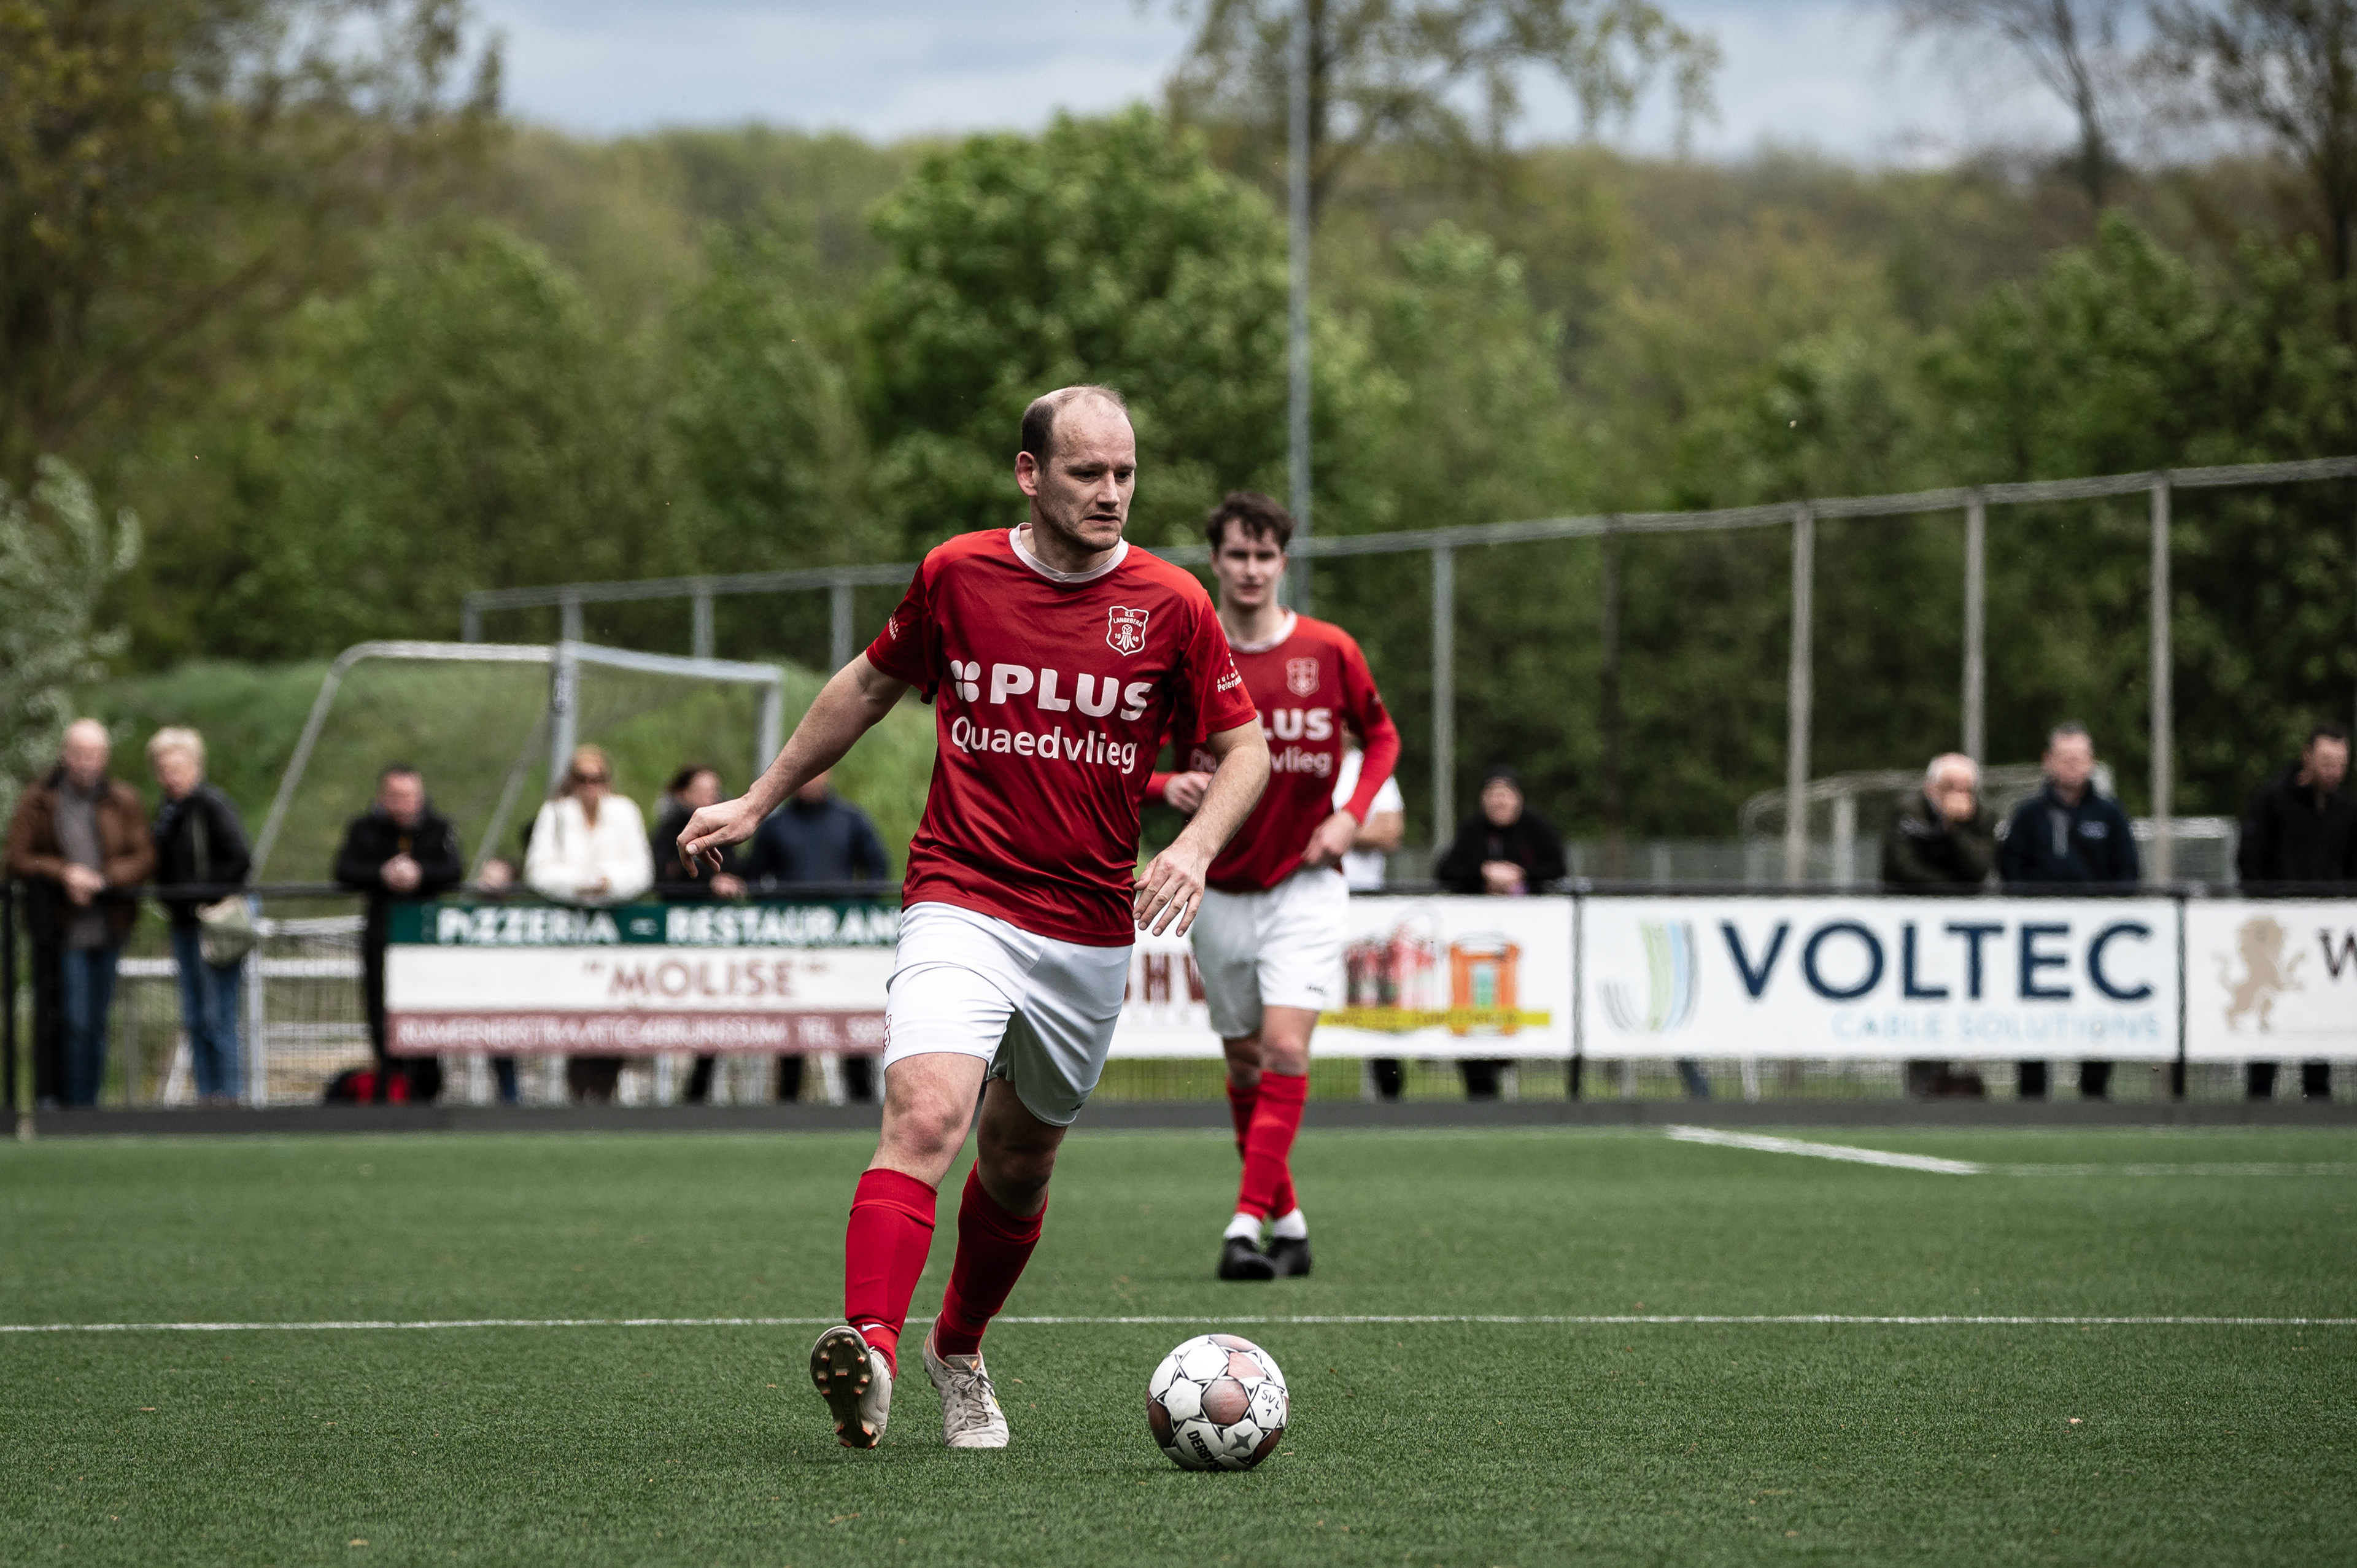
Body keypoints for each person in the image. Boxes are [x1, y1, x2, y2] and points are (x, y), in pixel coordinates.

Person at [675, 384, 1268, 1451]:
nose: (1111, 493)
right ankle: (872, 1352)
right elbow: (867, 686)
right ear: (1029, 475)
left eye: (1125, 472)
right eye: (1087, 472)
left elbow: (1247, 748)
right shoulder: (956, 573)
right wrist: (759, 799)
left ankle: (958, 1348)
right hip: (963, 895)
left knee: (1020, 1162)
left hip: (1089, 923)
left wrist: (1192, 846)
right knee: (925, 1118)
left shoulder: (1174, 601)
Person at [1144, 490, 1399, 1281]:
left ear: (1283, 562)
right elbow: (1122, 752)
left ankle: (1243, 1225)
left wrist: (1351, 815)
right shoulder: (1188, 652)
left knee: (1286, 1047)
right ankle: (1290, 1225)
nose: (1251, 568)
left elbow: (1382, 736)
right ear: (1215, 561)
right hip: (1216, 886)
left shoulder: (1328, 649)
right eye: (1237, 554)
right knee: (1247, 1064)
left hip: (1306, 884)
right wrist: (1165, 787)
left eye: (1264, 555)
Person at [5, 720, 155, 1107]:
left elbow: (144, 856)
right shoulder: (40, 799)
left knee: (99, 1021)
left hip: (110, 924)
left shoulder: (124, 800)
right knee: (73, 1019)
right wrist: (64, 873)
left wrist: (103, 880)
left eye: (94, 754)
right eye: (80, 753)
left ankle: (91, 1103)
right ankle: (69, 1105)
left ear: (105, 757)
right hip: (63, 927)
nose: (87, 762)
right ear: (66, 755)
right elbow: (17, 858)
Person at [1998, 722, 2139, 1100]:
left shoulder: (2110, 814)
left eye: (2079, 757)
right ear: (2048, 760)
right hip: (2039, 937)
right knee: (2035, 1014)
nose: (2072, 765)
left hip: (2096, 939)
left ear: (2091, 761)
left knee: (2096, 1014)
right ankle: (2031, 1096)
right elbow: (2011, 869)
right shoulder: (2028, 815)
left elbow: (2128, 872)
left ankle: (2094, 1094)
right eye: (2065, 757)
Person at [745, 769, 892, 1103]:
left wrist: (855, 909)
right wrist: (779, 912)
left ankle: (860, 1104)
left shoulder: (851, 820)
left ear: (828, 774)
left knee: (850, 1020)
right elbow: (754, 878)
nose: (810, 780)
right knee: (792, 1027)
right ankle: (787, 1107)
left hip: (844, 946)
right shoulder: (775, 825)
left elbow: (878, 868)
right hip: (791, 945)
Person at [527, 744, 654, 1102]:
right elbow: (538, 870)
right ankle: (578, 1093)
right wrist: (578, 885)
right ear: (571, 781)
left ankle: (605, 1093)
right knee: (575, 1011)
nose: (590, 786)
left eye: (597, 778)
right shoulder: (554, 814)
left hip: (617, 927)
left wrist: (609, 882)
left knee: (615, 1012)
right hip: (569, 929)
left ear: (607, 780)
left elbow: (641, 870)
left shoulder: (625, 812)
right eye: (582, 778)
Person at [2234, 723, 2353, 1100]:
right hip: (2276, 933)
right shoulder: (2272, 801)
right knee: (2268, 1008)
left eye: (2341, 763)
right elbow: (2250, 862)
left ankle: (2317, 1095)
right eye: (2326, 761)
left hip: (2325, 935)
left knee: (2318, 1015)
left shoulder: (2347, 811)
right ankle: (2259, 1096)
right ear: (2307, 757)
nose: (2333, 771)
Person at [333, 765, 464, 1103]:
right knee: (381, 1012)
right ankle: (392, 1085)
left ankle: (427, 1088)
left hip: (425, 940)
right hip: (382, 935)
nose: (403, 804)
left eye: (409, 796)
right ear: (382, 796)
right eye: (395, 796)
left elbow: (454, 870)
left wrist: (420, 874)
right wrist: (383, 873)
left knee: (426, 1011)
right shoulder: (364, 830)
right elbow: (344, 870)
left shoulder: (438, 829)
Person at [1434, 765, 1565, 1099]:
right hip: (1476, 949)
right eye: (1493, 794)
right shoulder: (1472, 831)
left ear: (1519, 798)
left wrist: (1520, 875)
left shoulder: (1536, 828)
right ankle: (1481, 1094)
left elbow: (1558, 867)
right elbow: (1446, 869)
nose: (1500, 801)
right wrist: (1484, 874)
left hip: (1527, 946)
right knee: (1475, 1017)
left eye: (1506, 794)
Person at [147, 728, 252, 1105]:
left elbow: (240, 859)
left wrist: (199, 894)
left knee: (217, 1013)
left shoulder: (212, 805)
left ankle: (229, 1095)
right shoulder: (166, 813)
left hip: (213, 925)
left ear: (195, 767)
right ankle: (207, 1095)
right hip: (183, 924)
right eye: (164, 770)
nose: (171, 777)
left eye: (178, 769)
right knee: (193, 1015)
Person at [1882, 752, 1997, 1098]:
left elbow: (1978, 869)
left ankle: (1952, 1087)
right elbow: (1902, 869)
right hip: (1912, 932)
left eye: (1967, 788)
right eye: (1950, 786)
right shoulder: (1907, 811)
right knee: (1919, 1013)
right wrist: (1954, 890)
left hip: (1963, 936)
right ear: (1930, 787)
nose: (1959, 795)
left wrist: (1954, 828)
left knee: (1957, 1010)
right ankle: (1921, 1090)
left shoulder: (1982, 816)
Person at [652, 765, 747, 1106]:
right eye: (703, 789)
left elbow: (738, 870)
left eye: (714, 789)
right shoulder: (668, 830)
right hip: (678, 939)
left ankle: (696, 1094)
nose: (711, 796)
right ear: (683, 794)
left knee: (717, 1013)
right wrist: (709, 883)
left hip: (717, 937)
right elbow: (663, 875)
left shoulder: (725, 829)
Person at [1333, 740, 1407, 1099]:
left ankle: (1388, 1095)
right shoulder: (1294, 758)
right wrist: (1358, 828)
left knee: (1377, 1001)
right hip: (1299, 900)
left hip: (1364, 907)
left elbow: (1390, 832)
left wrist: (1332, 833)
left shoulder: (1369, 768)